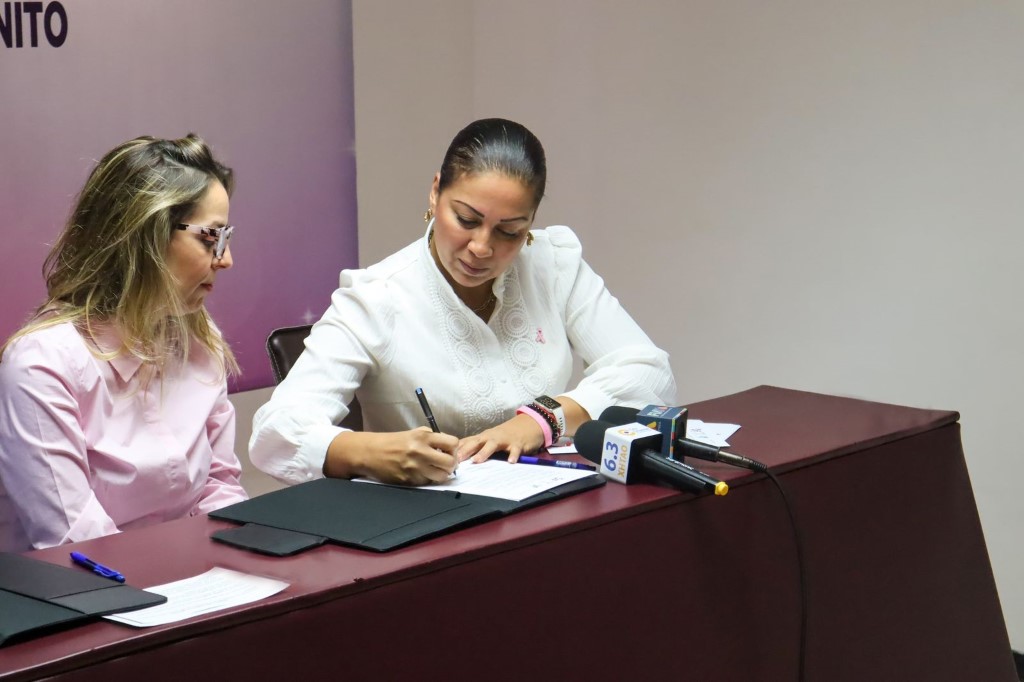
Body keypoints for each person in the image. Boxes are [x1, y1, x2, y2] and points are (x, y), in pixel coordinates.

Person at [250, 118, 676, 486]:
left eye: (509, 231)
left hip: (544, 502)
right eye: (467, 220)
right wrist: (369, 452)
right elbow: (274, 434)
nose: (481, 247)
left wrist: (545, 419)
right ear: (435, 192)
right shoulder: (377, 297)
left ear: (531, 223)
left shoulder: (553, 264)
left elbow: (649, 372)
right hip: (426, 523)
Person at [0, 134, 248, 552]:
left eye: (227, 237)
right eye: (211, 237)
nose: (226, 259)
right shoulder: (42, 365)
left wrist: (239, 565)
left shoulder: (199, 338)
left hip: (191, 576)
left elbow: (220, 489)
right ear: (143, 236)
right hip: (88, 585)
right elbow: (78, 545)